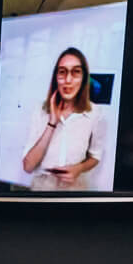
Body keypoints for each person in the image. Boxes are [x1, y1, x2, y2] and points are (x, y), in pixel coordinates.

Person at [19, 45, 107, 191]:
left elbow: (95, 156)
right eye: (62, 72)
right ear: (56, 78)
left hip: (75, 189)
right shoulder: (39, 111)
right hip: (42, 189)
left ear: (84, 78)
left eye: (76, 72)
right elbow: (28, 166)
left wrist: (79, 168)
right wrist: (52, 123)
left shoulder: (95, 113)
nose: (68, 79)